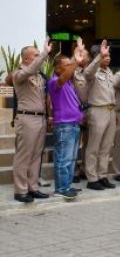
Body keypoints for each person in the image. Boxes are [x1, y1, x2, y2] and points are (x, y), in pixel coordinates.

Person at [11, 38, 52, 203]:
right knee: (24, 156)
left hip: (39, 119)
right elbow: (28, 72)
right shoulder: (19, 74)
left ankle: (32, 187)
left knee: (36, 155)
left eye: (39, 55)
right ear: (26, 59)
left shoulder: (39, 76)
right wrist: (44, 54)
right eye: (35, 55)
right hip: (26, 118)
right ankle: (20, 190)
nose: (39, 58)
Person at [82, 39, 120, 191]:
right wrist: (99, 57)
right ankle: (91, 178)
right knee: (94, 146)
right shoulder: (92, 71)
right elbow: (87, 73)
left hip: (110, 111)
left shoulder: (109, 72)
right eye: (105, 56)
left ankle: (102, 175)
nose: (108, 58)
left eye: (108, 56)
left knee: (106, 146)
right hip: (98, 110)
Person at [48, 54, 85, 201]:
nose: (71, 67)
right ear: (58, 68)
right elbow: (63, 78)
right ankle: (61, 188)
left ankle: (67, 186)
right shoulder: (55, 81)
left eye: (71, 64)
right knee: (64, 159)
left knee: (72, 158)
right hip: (65, 126)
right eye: (67, 65)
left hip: (74, 125)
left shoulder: (69, 83)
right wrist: (76, 61)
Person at [71, 38, 89, 184]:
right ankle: (73, 170)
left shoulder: (89, 73)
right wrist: (77, 52)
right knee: (75, 143)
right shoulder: (72, 72)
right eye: (83, 56)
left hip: (90, 111)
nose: (86, 58)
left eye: (87, 56)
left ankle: (84, 168)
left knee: (87, 143)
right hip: (75, 111)